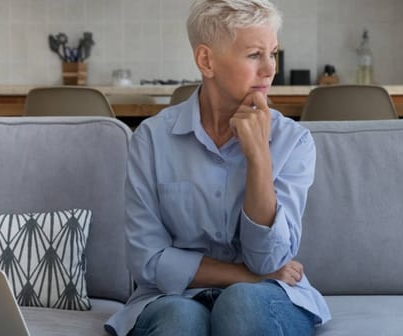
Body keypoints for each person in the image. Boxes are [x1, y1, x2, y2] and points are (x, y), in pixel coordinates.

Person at [105, 0, 330, 335]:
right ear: (206, 60)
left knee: (241, 303)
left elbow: (270, 261)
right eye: (255, 54)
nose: (270, 69)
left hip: (266, 297)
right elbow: (148, 261)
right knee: (180, 318)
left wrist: (259, 158)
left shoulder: (293, 141)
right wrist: (245, 275)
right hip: (171, 298)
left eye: (273, 53)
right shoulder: (152, 140)